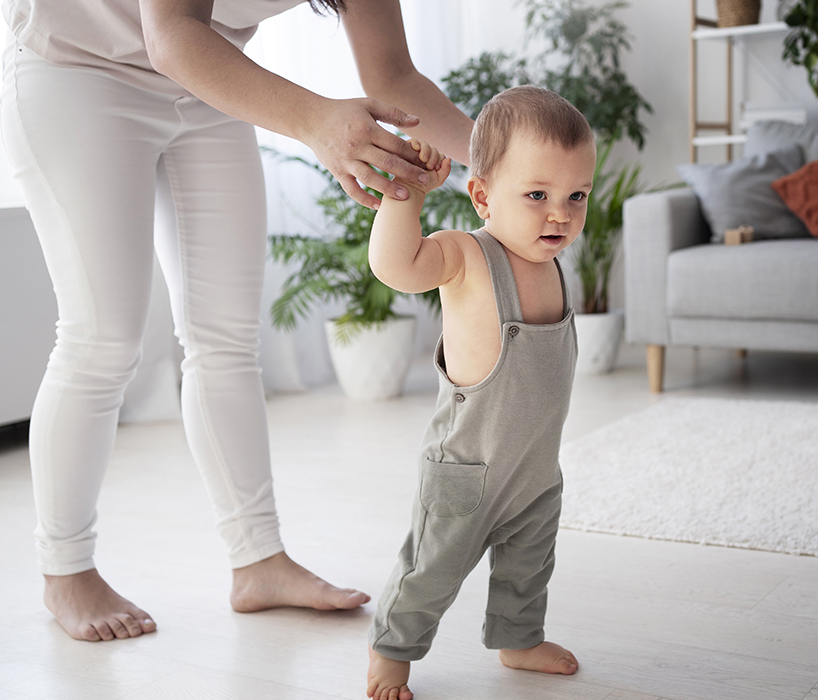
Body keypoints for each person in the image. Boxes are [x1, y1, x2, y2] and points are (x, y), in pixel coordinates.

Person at [0, 0, 473, 643]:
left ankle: (258, 562)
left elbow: (392, 75)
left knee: (226, 338)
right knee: (101, 340)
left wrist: (505, 160)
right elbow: (171, 34)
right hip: (77, 65)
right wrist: (319, 122)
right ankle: (65, 570)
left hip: (208, 78)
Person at [365, 85, 596, 700]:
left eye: (576, 196)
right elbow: (396, 267)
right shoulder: (467, 255)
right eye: (538, 195)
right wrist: (405, 197)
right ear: (483, 196)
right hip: (466, 473)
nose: (560, 214)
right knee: (432, 569)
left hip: (535, 472)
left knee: (528, 568)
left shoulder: (550, 263)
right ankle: (392, 649)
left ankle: (518, 640)